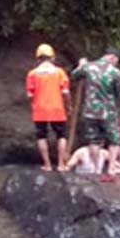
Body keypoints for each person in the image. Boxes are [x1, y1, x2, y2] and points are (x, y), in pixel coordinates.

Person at [71, 47, 120, 175]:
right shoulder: (115, 72)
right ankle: (111, 168)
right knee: (115, 139)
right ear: (113, 58)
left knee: (94, 140)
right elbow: (119, 94)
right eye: (116, 60)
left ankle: (95, 169)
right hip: (108, 112)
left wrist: (81, 65)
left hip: (90, 111)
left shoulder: (88, 67)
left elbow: (74, 75)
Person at [25, 43, 71, 172]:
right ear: (53, 58)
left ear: (38, 58)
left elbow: (29, 94)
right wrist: (69, 106)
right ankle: (61, 164)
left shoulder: (32, 74)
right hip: (57, 109)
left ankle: (47, 165)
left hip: (40, 110)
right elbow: (65, 93)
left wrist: (34, 104)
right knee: (61, 135)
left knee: (41, 136)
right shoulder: (59, 72)